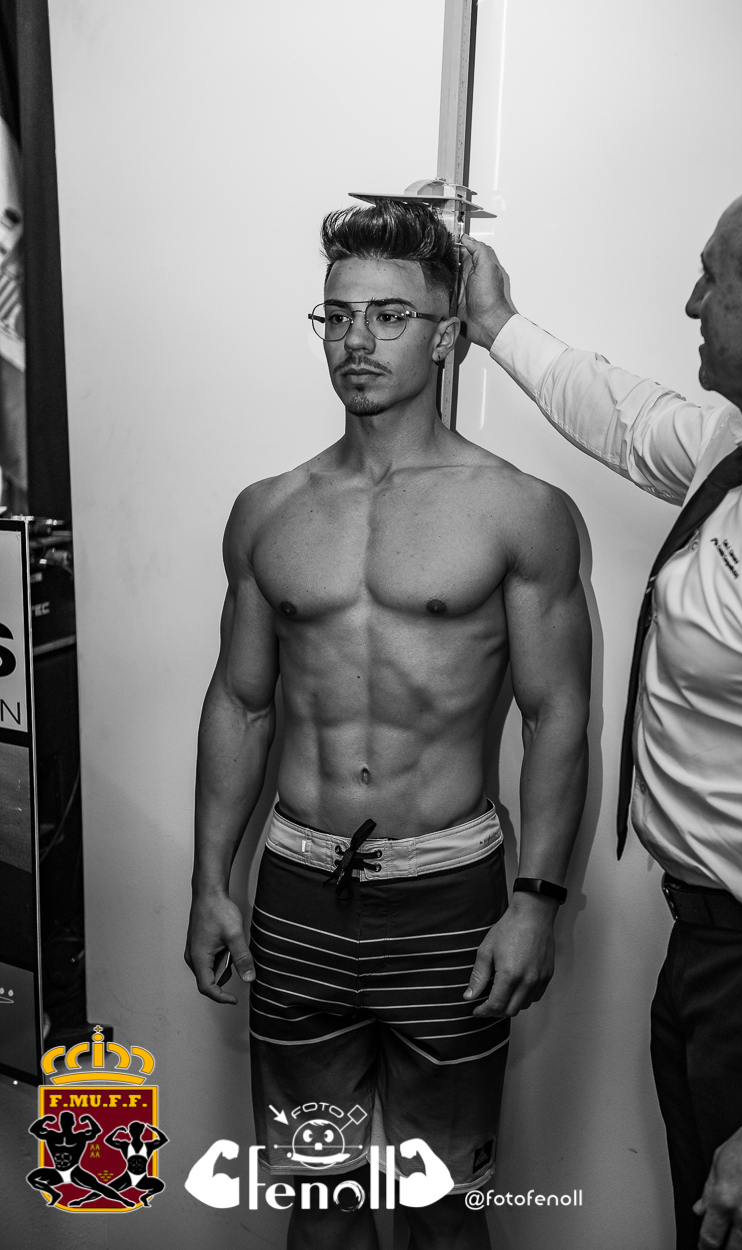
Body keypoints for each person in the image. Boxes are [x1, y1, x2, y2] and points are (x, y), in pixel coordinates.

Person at [184, 201, 591, 1250]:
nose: (356, 340)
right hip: (297, 894)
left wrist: (537, 902)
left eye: (390, 316)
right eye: (337, 314)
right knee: (315, 1196)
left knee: (442, 1205)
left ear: (447, 336)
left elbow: (557, 715)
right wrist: (209, 883)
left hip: (448, 899)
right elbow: (240, 700)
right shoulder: (268, 508)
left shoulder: (520, 508)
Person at [460, 172, 742, 1250]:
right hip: (713, 953)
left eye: (712, 280)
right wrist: (496, 323)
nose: (690, 303)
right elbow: (625, 416)